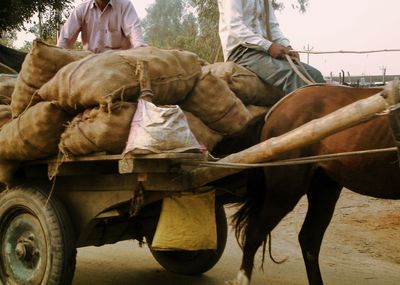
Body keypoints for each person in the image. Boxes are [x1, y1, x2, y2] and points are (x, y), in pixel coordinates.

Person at [217, 0, 325, 95]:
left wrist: (287, 46)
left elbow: (272, 26)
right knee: (293, 77)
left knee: (315, 75)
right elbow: (235, 26)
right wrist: (268, 46)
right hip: (241, 52)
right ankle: (310, 117)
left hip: (264, 51)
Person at [57, 0, 147, 53]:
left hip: (120, 63)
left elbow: (135, 36)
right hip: (90, 63)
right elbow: (64, 42)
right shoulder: (81, 9)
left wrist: (141, 51)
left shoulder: (125, 6)